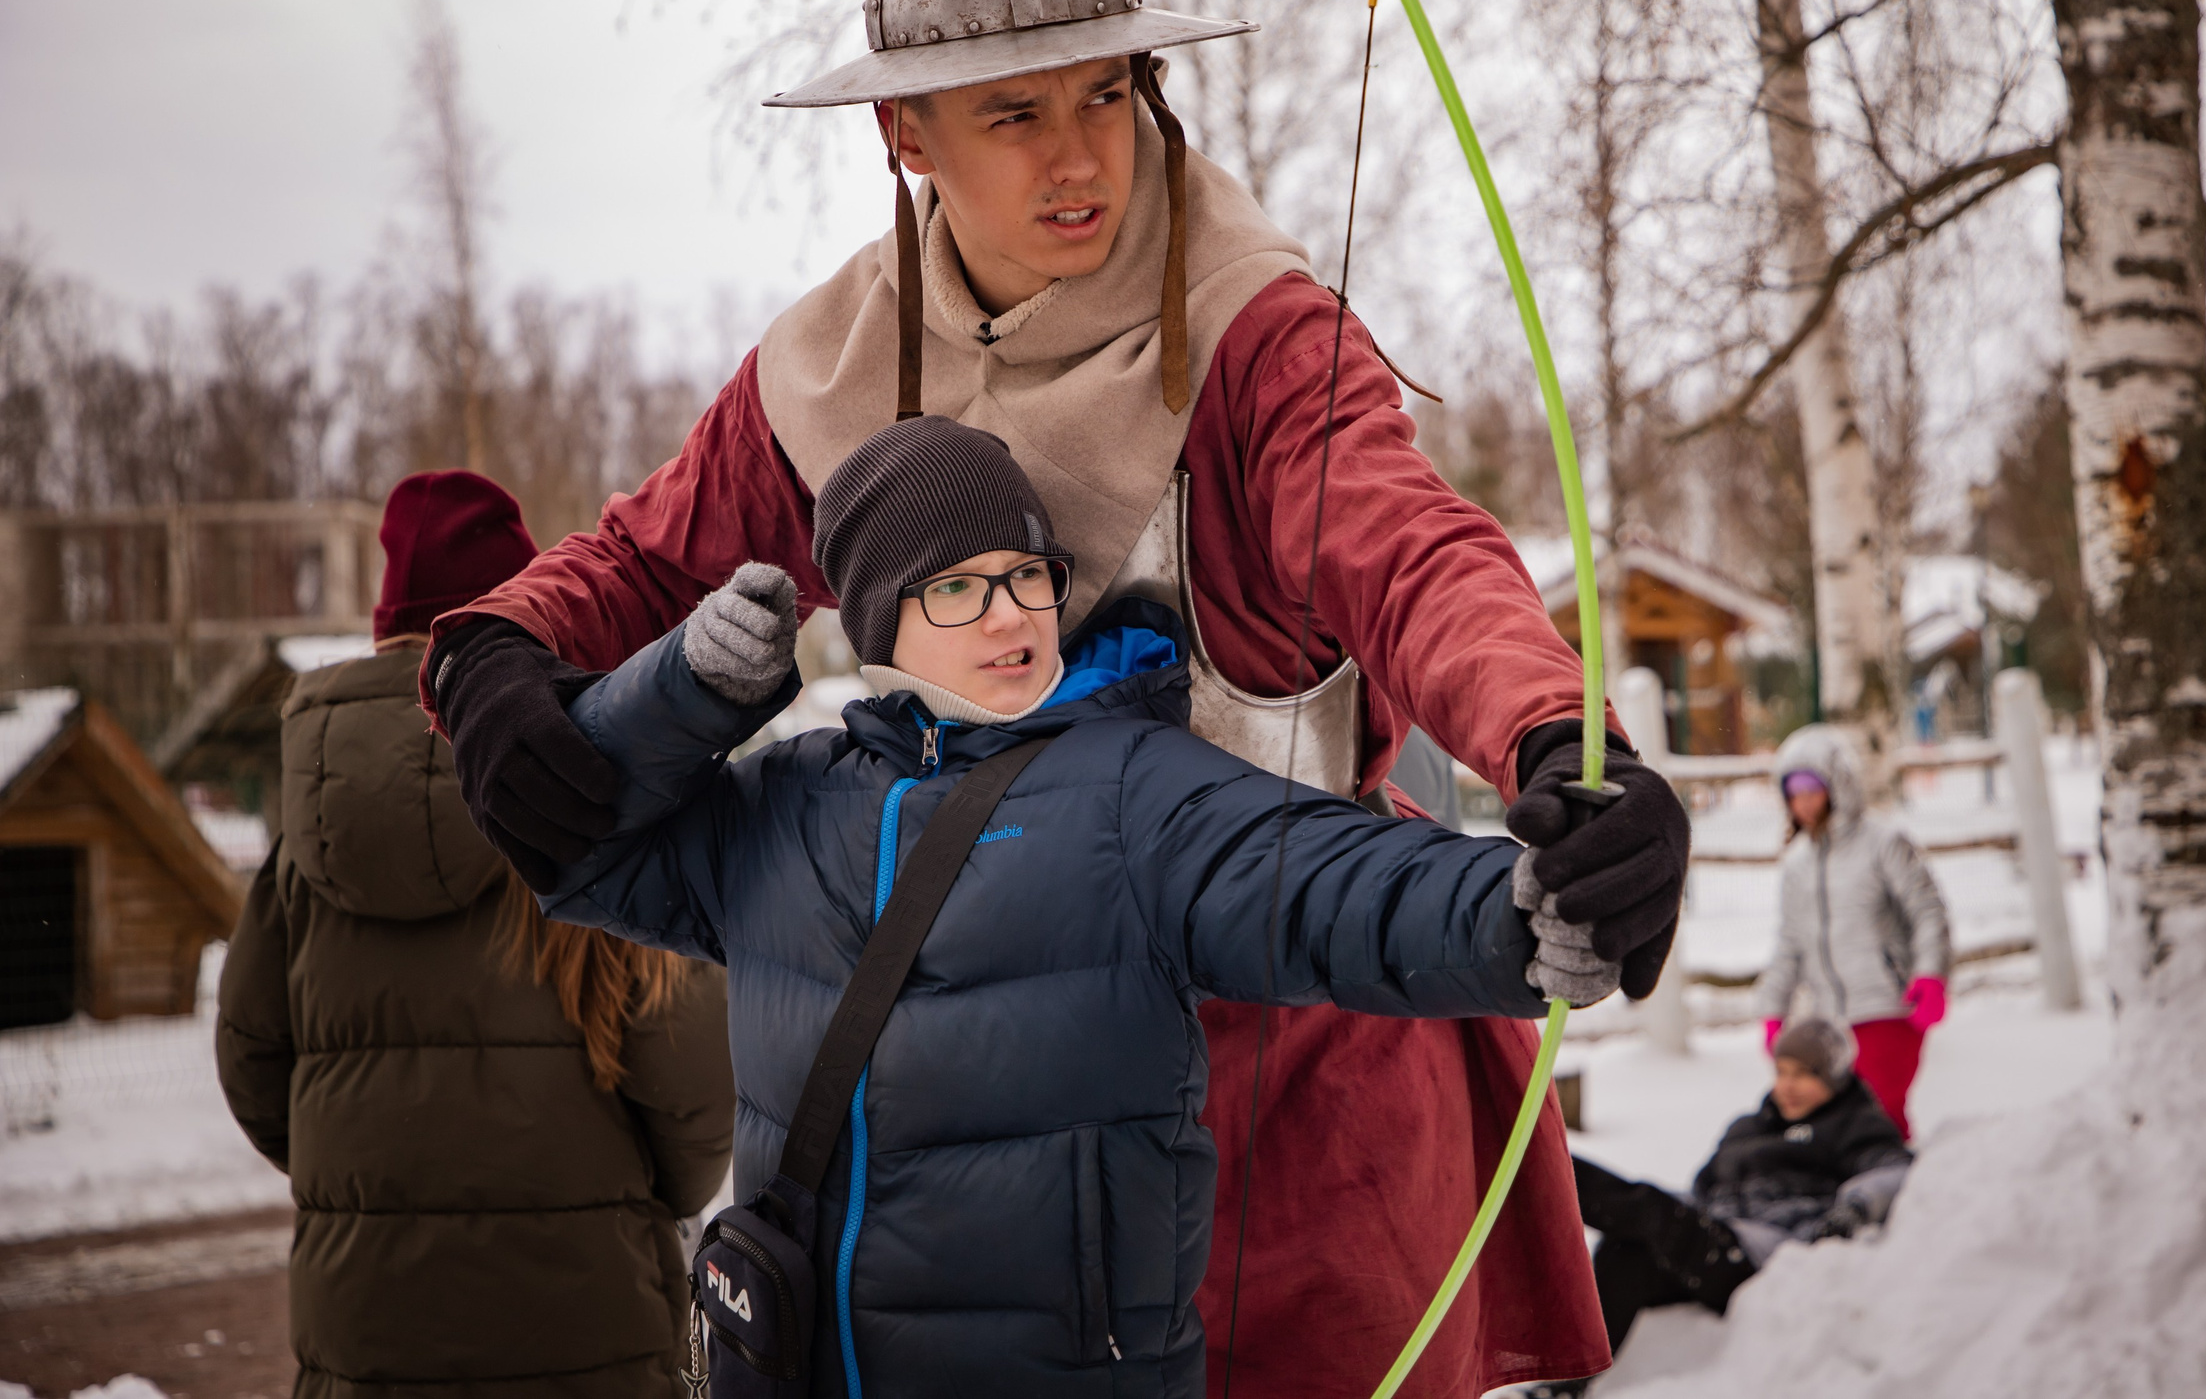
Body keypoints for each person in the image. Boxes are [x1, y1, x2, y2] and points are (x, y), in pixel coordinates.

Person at [419, 0, 1688, 1393]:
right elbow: (632, 561)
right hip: (989, 1140)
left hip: (1291, 1079)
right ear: (908, 136)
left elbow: (1412, 556)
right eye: (1014, 113)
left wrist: (1558, 737)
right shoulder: (831, 365)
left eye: (1112, 89)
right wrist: (495, 650)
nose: (1085, 153)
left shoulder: (1258, 337)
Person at [544, 417, 1620, 1395]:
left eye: (1027, 575)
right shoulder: (784, 801)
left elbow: (1322, 882)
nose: (1009, 612)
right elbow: (577, 851)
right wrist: (683, 690)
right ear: (877, 614)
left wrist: (1519, 909)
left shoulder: (1133, 788)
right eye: (956, 587)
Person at [214, 471, 735, 1399]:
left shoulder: (305, 832)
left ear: (385, 625)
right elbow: (693, 1091)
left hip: (366, 1329)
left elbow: (254, 1069)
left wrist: (379, 1175)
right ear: (518, 609)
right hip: (585, 1325)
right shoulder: (582, 790)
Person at [1541, 1017, 1912, 1385]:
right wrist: (1668, 1206)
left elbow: (1892, 1170)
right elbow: (1701, 1193)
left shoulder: (1854, 1124)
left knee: (1647, 1210)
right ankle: (1565, 1386)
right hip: (1717, 1236)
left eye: (1803, 1074)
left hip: (1764, 1257)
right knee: (1625, 1249)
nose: (1788, 1086)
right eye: (1781, 1072)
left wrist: (1855, 1207)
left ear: (1833, 1076)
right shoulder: (1747, 1129)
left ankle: (1542, 1172)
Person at [1754, 722, 1951, 1138]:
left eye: (1812, 789)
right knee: (1837, 1126)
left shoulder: (1883, 843)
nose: (1802, 803)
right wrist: (1773, 1009)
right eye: (1793, 794)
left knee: (1879, 1118)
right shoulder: (1797, 864)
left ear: (1838, 786)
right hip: (1830, 1020)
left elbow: (1927, 911)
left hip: (1889, 1008)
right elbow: (1789, 944)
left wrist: (1931, 975)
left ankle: (1897, 1192)